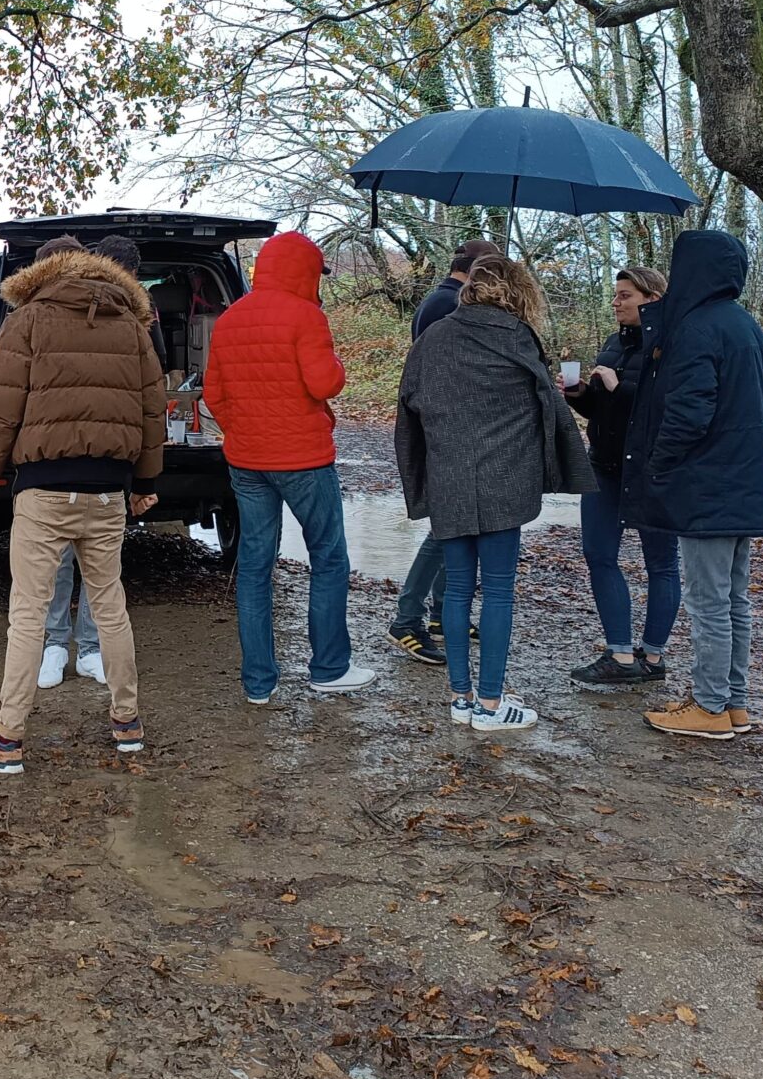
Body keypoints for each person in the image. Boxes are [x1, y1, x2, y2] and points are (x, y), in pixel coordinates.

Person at [0, 238, 164, 773]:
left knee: (28, 612)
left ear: (43, 270)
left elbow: (1, 407)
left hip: (44, 488)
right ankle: (128, 722)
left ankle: (7, 738)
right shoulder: (131, 325)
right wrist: (143, 481)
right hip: (107, 490)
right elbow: (151, 411)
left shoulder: (27, 320)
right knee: (110, 605)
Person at [395, 254, 594, 733]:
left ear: (468, 289)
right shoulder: (519, 338)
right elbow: (548, 404)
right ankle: (490, 705)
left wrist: (421, 473)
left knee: (459, 589)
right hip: (506, 482)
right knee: (499, 589)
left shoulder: (432, 338)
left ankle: (461, 699)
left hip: (450, 479)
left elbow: (409, 409)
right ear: (518, 291)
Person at [203, 231, 375, 705]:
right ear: (303, 271)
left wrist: (244, 429)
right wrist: (337, 365)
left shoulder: (231, 318)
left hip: (247, 461)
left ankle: (258, 683)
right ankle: (329, 668)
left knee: (255, 567)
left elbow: (213, 394)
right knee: (329, 558)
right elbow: (325, 382)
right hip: (304, 461)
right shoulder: (307, 316)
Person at [621, 230, 763, 741]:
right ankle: (733, 703)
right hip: (742, 482)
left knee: (709, 600)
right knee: (733, 599)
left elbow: (689, 413)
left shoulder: (696, 329)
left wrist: (658, 465)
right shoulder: (745, 326)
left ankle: (709, 707)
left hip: (708, 486)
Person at [387, 237, 505, 664]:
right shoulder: (444, 307)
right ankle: (407, 617)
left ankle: (440, 613)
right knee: (446, 531)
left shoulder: (444, 301)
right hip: (447, 435)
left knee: (456, 529)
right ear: (476, 270)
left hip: (457, 433)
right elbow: (436, 377)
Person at [564, 266, 681, 687]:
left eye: (625, 295)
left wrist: (618, 388)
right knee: (598, 555)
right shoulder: (615, 342)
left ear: (651, 298)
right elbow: (604, 412)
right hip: (605, 466)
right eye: (615, 295)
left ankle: (652, 656)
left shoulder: (672, 344)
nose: (616, 302)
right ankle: (619, 653)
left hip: (652, 469)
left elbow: (668, 410)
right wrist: (581, 395)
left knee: (662, 563)